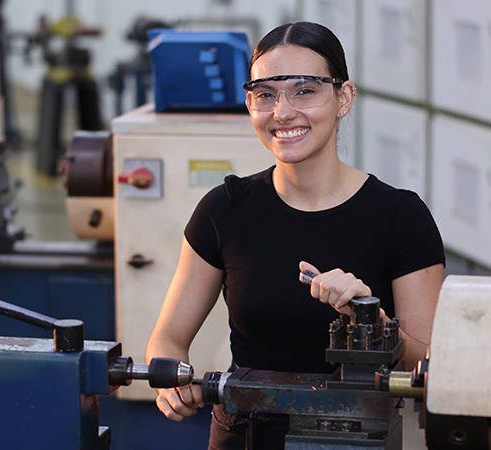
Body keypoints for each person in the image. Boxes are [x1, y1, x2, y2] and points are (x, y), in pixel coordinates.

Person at [145, 21, 445, 449]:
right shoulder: (224, 209)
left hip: (352, 439)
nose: (282, 112)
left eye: (304, 90)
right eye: (265, 94)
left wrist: (375, 324)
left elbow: (435, 366)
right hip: (243, 436)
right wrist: (169, 375)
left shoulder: (400, 217)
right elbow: (169, 336)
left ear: (343, 98)